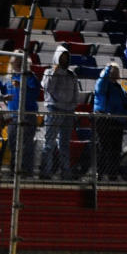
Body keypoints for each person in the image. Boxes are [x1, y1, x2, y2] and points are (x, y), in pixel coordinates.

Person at [40, 45, 80, 180]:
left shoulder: (71, 74)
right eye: (61, 57)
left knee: (64, 144)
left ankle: (65, 172)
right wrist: (54, 73)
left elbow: (76, 93)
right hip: (54, 110)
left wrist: (73, 107)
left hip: (68, 112)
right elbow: (47, 88)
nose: (64, 60)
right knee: (49, 143)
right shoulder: (48, 72)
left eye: (66, 57)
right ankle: (45, 171)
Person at [92, 63, 127, 180]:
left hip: (117, 122)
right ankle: (100, 173)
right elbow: (101, 84)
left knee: (115, 149)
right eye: (112, 72)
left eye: (117, 72)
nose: (115, 74)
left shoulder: (120, 89)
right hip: (104, 119)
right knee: (104, 148)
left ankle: (112, 175)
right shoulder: (102, 84)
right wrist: (107, 69)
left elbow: (125, 105)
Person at [4, 51, 39, 176]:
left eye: (19, 60)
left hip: (27, 115)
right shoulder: (9, 78)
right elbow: (3, 92)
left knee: (27, 145)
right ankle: (14, 171)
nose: (16, 62)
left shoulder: (29, 76)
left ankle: (26, 171)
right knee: (13, 144)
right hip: (13, 116)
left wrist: (21, 86)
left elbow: (34, 92)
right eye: (15, 59)